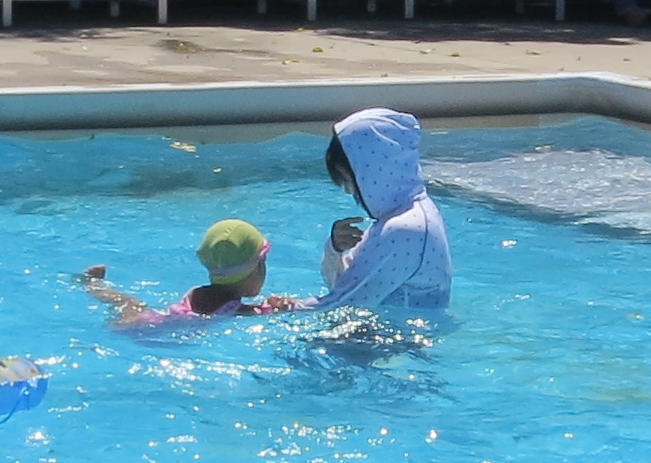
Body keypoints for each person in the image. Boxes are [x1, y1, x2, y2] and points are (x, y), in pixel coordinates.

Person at [297, 109, 453, 317]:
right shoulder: (409, 213)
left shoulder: (405, 228)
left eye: (348, 180)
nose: (348, 190)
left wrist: (277, 308)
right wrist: (334, 249)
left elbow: (343, 304)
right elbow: (344, 287)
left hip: (398, 336)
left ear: (370, 173)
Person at [80, 220, 286, 329]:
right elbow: (257, 312)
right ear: (255, 268)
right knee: (130, 306)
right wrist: (278, 308)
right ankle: (93, 284)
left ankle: (93, 284)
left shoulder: (201, 293)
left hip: (150, 322)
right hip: (153, 334)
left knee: (127, 303)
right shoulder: (241, 311)